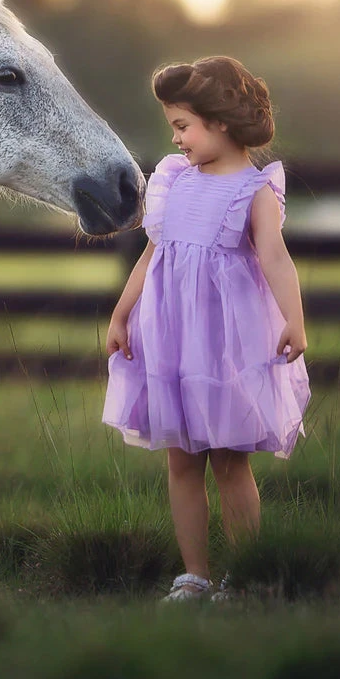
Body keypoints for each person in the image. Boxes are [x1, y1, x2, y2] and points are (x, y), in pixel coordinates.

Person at [102, 56, 311, 603]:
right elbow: (152, 254)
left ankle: (243, 577)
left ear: (219, 121)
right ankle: (194, 574)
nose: (175, 140)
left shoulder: (254, 189)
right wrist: (122, 313)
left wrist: (295, 319)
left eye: (181, 126)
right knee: (181, 458)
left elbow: (275, 258)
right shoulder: (173, 182)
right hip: (171, 338)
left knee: (229, 459)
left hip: (224, 346)